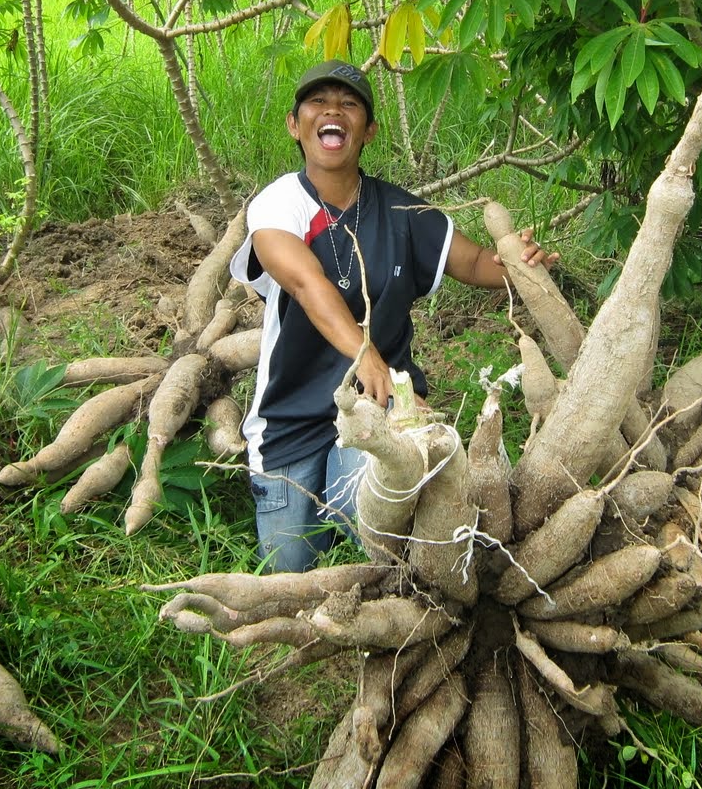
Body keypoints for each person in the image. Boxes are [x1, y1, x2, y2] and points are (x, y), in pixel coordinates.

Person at [229, 60, 558, 573]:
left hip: (376, 408)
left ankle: (381, 547)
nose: (333, 111)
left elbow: (471, 262)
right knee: (287, 567)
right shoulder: (279, 203)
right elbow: (304, 282)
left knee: (378, 539)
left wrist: (515, 262)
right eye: (318, 102)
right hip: (287, 420)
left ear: (369, 131)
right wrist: (365, 354)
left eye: (350, 103)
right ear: (295, 125)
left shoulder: (402, 213)